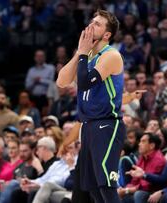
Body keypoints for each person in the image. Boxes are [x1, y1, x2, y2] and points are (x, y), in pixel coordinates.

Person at [56, 9, 124, 203]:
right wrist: (80, 53)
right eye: (91, 21)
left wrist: (84, 54)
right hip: (88, 126)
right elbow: (61, 81)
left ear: (107, 34)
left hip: (107, 125)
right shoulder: (88, 57)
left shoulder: (111, 55)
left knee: (105, 185)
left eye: (97, 24)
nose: (90, 25)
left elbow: (85, 82)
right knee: (92, 187)